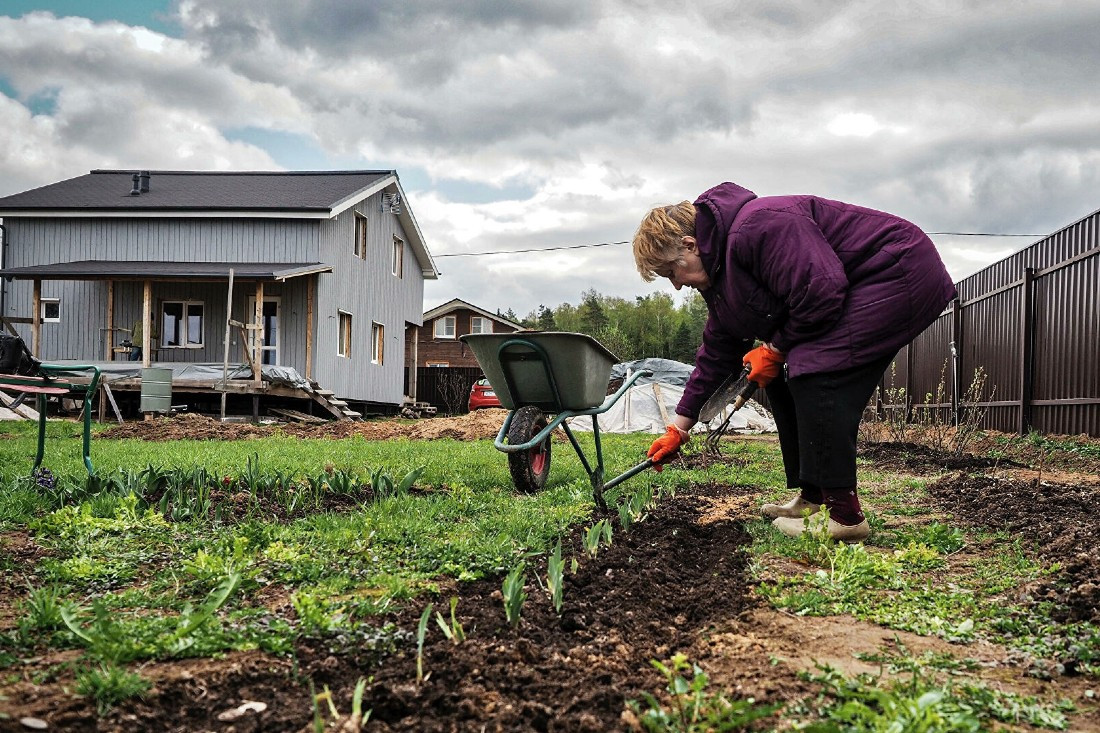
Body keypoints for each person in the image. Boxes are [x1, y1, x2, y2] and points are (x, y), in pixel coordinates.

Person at [635, 182, 956, 542]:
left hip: (895, 270)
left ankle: (846, 518)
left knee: (816, 368)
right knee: (782, 376)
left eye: (670, 273)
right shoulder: (721, 280)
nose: (676, 286)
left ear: (691, 246)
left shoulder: (758, 226)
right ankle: (812, 497)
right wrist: (679, 427)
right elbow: (716, 354)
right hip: (860, 284)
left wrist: (775, 347)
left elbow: (821, 290)